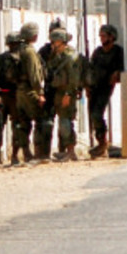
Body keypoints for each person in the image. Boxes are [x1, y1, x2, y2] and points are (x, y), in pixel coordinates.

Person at [87, 23, 124, 158]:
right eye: (100, 36)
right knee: (93, 115)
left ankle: (103, 143)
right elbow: (91, 68)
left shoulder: (118, 52)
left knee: (97, 114)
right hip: (95, 86)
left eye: (104, 36)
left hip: (105, 87)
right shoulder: (98, 52)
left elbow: (123, 67)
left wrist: (117, 73)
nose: (101, 38)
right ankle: (101, 142)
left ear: (111, 37)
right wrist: (88, 85)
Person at [11, 23, 45, 165]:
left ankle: (26, 153)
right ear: (34, 36)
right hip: (30, 91)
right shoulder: (30, 52)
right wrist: (40, 93)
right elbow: (34, 75)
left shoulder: (19, 50)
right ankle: (38, 153)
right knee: (39, 120)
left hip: (19, 91)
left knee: (23, 123)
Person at [47, 28, 83, 161]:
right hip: (60, 91)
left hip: (67, 92)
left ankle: (70, 151)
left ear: (62, 42)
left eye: (55, 42)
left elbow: (74, 79)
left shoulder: (70, 57)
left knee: (65, 122)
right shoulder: (59, 55)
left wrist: (68, 94)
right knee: (63, 121)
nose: (53, 45)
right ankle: (67, 150)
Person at [34, 19, 65, 159]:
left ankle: (63, 151)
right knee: (46, 123)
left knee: (65, 122)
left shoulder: (68, 51)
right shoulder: (44, 51)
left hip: (64, 92)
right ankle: (44, 153)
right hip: (48, 91)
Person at [0, 32, 21, 164]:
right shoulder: (22, 58)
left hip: (2, 95)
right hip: (15, 96)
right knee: (17, 125)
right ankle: (14, 156)